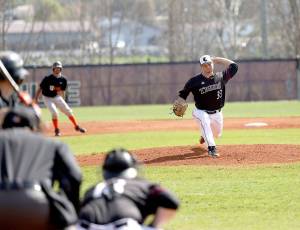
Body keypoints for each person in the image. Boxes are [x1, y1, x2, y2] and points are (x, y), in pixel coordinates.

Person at [0, 106, 82, 229]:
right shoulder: (53, 144)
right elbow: (75, 176)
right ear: (34, 127)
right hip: (36, 203)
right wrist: (70, 208)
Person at [77, 148, 180, 230]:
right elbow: (172, 201)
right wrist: (153, 225)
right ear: (133, 169)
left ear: (104, 171)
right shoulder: (140, 185)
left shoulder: (92, 189)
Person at [177, 55, 238, 157]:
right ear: (201, 67)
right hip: (200, 111)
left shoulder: (220, 77)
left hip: (217, 113)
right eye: (205, 65)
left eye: (209, 64)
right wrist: (179, 104)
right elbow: (183, 94)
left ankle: (204, 136)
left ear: (212, 64)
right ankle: (212, 149)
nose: (208, 67)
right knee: (204, 120)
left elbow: (234, 67)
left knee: (217, 134)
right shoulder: (194, 81)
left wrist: (217, 59)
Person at [34, 61, 86, 136]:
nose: (57, 69)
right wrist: (36, 98)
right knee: (54, 113)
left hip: (56, 96)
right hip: (47, 97)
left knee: (68, 111)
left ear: (61, 69)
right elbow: (40, 88)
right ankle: (57, 130)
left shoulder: (63, 79)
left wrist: (63, 100)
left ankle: (76, 126)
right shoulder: (47, 78)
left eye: (59, 68)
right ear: (53, 69)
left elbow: (62, 91)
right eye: (56, 68)